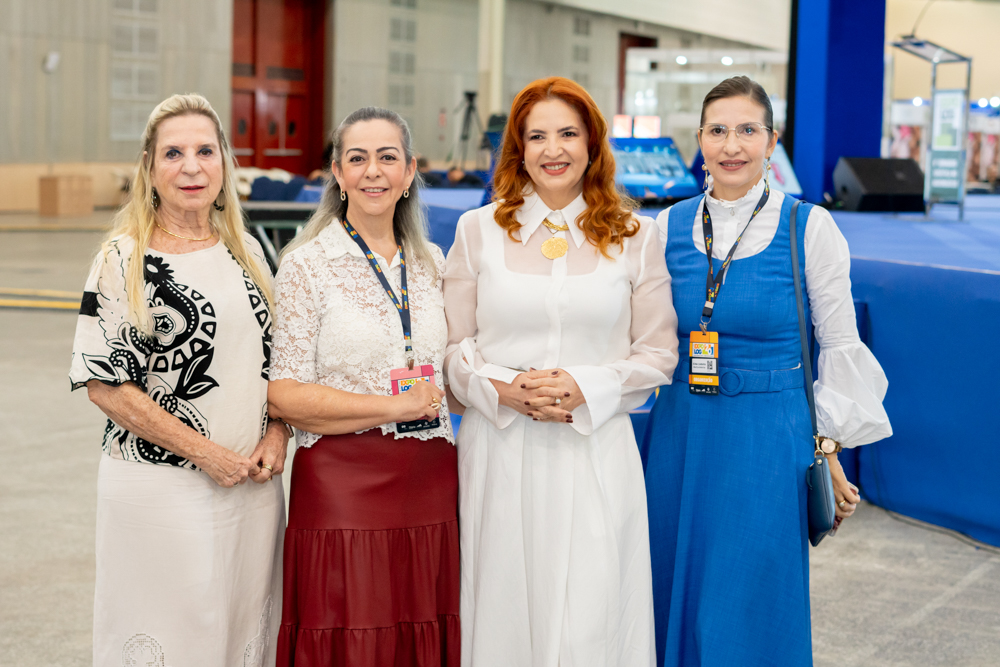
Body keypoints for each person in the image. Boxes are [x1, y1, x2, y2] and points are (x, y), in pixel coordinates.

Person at [641, 76, 892, 667]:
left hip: (768, 439)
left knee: (752, 593)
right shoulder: (665, 227)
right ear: (699, 140)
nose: (732, 145)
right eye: (718, 130)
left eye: (748, 131)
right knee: (672, 579)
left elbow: (840, 347)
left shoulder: (809, 227)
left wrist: (827, 450)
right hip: (680, 432)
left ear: (772, 142)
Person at [443, 76, 679, 667]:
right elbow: (450, 351)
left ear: (592, 144)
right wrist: (503, 389)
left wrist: (585, 387)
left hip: (594, 448)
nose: (554, 150)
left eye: (568, 134)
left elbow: (658, 354)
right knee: (502, 606)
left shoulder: (636, 236)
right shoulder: (477, 231)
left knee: (593, 614)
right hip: (500, 447)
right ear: (518, 149)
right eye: (537, 136)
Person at [69, 93, 288, 666]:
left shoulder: (248, 251)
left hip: (251, 491)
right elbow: (104, 384)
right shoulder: (122, 259)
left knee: (241, 633)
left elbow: (278, 361)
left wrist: (278, 433)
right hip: (160, 492)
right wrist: (205, 454)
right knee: (171, 636)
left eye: (205, 151)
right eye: (173, 153)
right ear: (149, 167)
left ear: (224, 164)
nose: (191, 167)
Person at [267, 107, 459, 665]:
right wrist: (393, 406)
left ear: (410, 171)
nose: (373, 171)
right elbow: (284, 394)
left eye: (387, 157)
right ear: (338, 172)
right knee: (351, 635)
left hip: (429, 481)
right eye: (357, 158)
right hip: (342, 487)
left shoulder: (432, 263)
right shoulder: (306, 265)